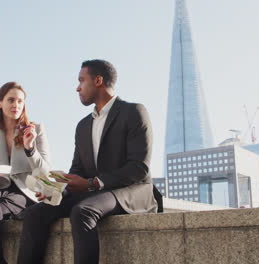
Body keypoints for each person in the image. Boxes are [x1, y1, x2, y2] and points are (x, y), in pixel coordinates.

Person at [18, 60, 157, 264]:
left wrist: (93, 183)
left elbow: (139, 168)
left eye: (82, 80)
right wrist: (54, 188)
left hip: (133, 190)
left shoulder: (134, 112)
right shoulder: (83, 126)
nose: (77, 87)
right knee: (34, 214)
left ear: (98, 80)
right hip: (96, 192)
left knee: (82, 212)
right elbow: (77, 171)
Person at [0, 81, 51, 264]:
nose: (16, 105)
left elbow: (45, 172)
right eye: (11, 100)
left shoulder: (35, 129)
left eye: (20, 101)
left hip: (25, 191)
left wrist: (30, 148)